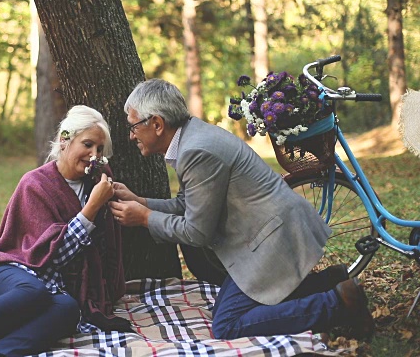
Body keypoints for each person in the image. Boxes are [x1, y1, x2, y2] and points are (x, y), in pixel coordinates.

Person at [108, 78, 375, 341]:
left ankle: (338, 303)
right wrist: (142, 202)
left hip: (273, 239)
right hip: (272, 231)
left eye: (134, 126)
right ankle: (331, 282)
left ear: (156, 124)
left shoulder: (195, 151)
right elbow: (186, 205)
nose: (131, 135)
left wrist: (145, 218)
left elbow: (196, 232)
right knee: (231, 307)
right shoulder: (193, 137)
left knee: (227, 325)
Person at [0, 105, 130, 357]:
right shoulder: (35, 184)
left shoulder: (97, 180)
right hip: (8, 273)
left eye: (99, 149)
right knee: (32, 291)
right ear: (64, 141)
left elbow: (105, 245)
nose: (94, 155)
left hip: (51, 287)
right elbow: (53, 255)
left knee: (68, 309)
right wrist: (91, 208)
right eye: (87, 145)